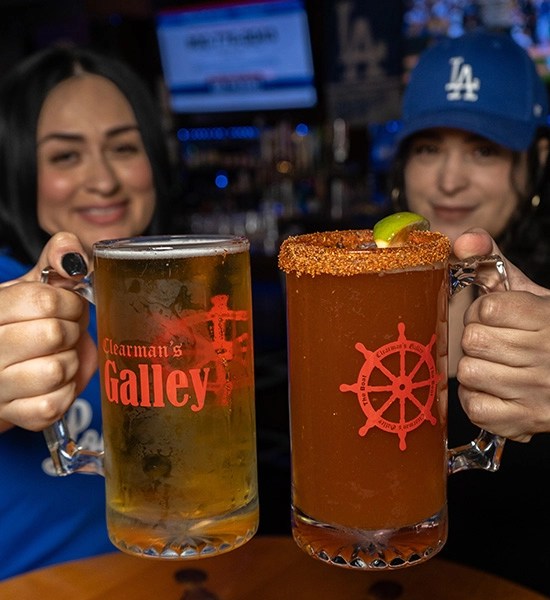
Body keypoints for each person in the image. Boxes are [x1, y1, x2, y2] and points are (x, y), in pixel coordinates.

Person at [0, 44, 176, 579]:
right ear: (21, 170)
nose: (103, 180)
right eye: (65, 156)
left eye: (123, 148)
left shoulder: (180, 294)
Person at [388, 30, 550, 594]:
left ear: (537, 160)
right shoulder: (362, 286)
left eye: (484, 149)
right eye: (429, 147)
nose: (449, 180)